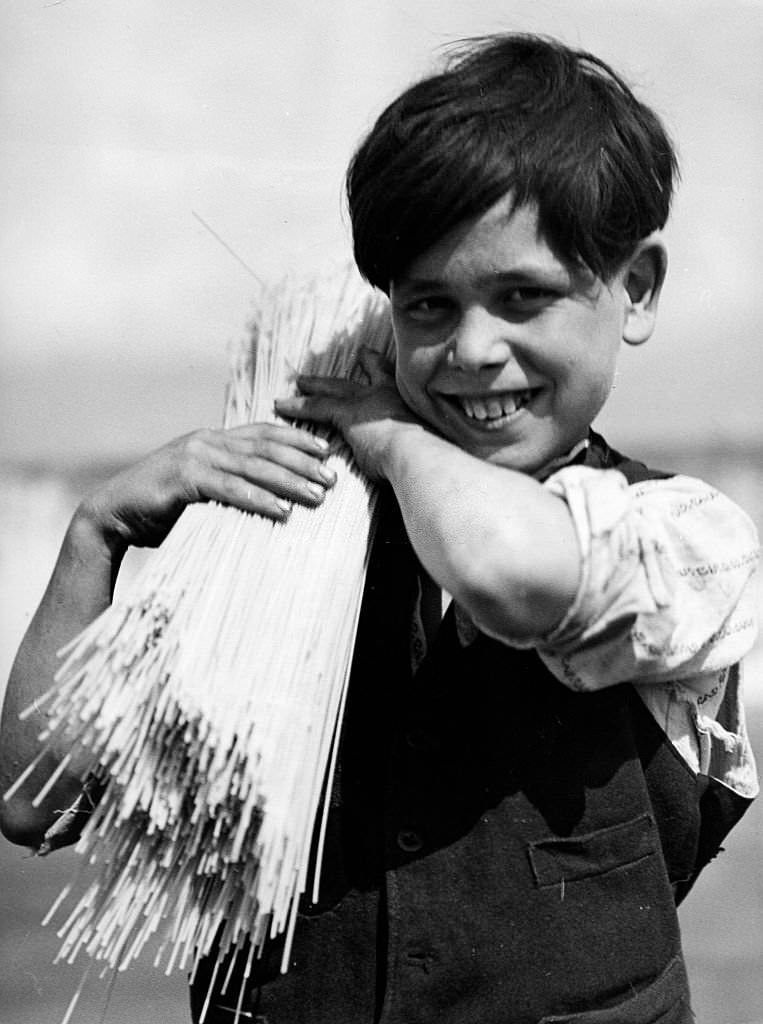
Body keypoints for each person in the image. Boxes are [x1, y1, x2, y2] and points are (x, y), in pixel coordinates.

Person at [1, 32, 759, 1024]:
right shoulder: (273, 544)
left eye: (523, 295)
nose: (474, 350)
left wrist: (390, 435)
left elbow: (508, 570)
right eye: (427, 305)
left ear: (637, 287)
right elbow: (36, 803)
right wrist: (94, 534)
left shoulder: (688, 536)